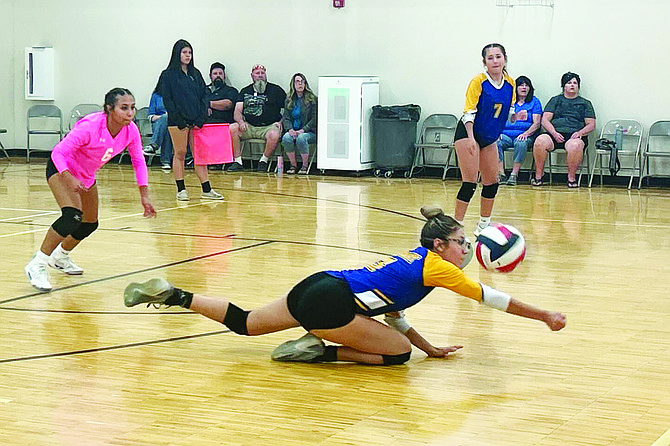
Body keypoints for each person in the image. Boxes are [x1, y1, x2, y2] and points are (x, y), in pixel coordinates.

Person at [124, 206, 567, 366]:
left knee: (244, 323)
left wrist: (431, 347)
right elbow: (493, 298)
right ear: (439, 245)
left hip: (320, 283)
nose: (467, 247)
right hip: (331, 306)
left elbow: (394, 312)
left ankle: (173, 293)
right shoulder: (440, 270)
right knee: (396, 355)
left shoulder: (415, 262)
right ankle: (320, 349)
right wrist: (545, 315)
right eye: (461, 242)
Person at [24, 88, 157, 292]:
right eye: (124, 108)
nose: (130, 113)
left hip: (86, 175)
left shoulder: (131, 131)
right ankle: (38, 264)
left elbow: (139, 161)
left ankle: (60, 257)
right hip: (62, 168)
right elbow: (58, 152)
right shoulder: (91, 126)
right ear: (109, 109)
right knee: (72, 216)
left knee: (89, 223)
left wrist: (144, 196)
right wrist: (67, 177)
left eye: (132, 107)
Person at [454, 43, 527, 237]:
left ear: (505, 59)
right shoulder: (479, 82)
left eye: (498, 57)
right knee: (469, 183)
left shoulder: (510, 84)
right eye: (490, 58)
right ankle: (456, 227)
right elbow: (468, 112)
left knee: (491, 182)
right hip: (469, 133)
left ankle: (483, 226)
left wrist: (516, 117)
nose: (495, 61)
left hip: (489, 136)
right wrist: (470, 139)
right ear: (484, 62)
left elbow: (507, 112)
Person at [159, 39, 223, 201]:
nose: (187, 56)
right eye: (184, 52)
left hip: (196, 120)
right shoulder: (168, 75)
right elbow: (168, 99)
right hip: (177, 121)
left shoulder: (196, 73)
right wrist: (178, 118)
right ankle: (181, 189)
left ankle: (206, 189)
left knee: (200, 155)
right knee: (180, 153)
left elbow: (204, 96)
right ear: (177, 53)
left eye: (189, 52)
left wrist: (201, 117)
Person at [531, 72, 596, 188]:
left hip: (574, 136)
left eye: (575, 83)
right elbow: (545, 120)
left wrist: (580, 133)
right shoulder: (555, 100)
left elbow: (591, 124)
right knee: (540, 141)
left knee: (575, 145)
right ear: (563, 86)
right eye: (569, 83)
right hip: (554, 134)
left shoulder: (585, 103)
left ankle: (571, 178)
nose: (572, 85)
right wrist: (554, 133)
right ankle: (538, 176)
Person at [232, 64, 287, 172]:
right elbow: (237, 111)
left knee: (274, 134)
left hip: (268, 127)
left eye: (263, 73)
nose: (260, 75)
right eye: (257, 73)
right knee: (232, 128)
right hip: (249, 126)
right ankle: (238, 161)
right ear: (252, 76)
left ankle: (263, 161)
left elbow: (287, 110)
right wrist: (241, 121)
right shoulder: (245, 91)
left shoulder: (276, 90)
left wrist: (281, 122)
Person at [496, 75, 542, 186]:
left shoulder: (534, 102)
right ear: (515, 88)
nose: (524, 87)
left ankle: (514, 175)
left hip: (525, 135)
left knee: (521, 143)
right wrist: (496, 133)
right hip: (505, 135)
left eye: (527, 85)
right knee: (495, 142)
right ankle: (501, 174)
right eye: (521, 85)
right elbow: (497, 118)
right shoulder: (507, 101)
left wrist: (526, 134)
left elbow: (537, 123)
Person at [281, 73, 317, 174]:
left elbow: (314, 119)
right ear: (293, 84)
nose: (300, 84)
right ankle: (293, 165)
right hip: (294, 129)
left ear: (305, 84)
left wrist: (303, 130)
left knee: (301, 138)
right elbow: (286, 117)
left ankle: (305, 166)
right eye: (297, 81)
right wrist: (290, 129)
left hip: (309, 131)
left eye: (302, 81)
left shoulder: (312, 99)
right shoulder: (289, 99)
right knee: (286, 138)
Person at [146, 78, 173, 170]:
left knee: (168, 123)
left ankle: (154, 145)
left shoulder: (176, 96)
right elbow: (150, 116)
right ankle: (166, 161)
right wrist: (163, 118)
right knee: (166, 124)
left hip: (174, 122)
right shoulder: (156, 96)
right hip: (158, 124)